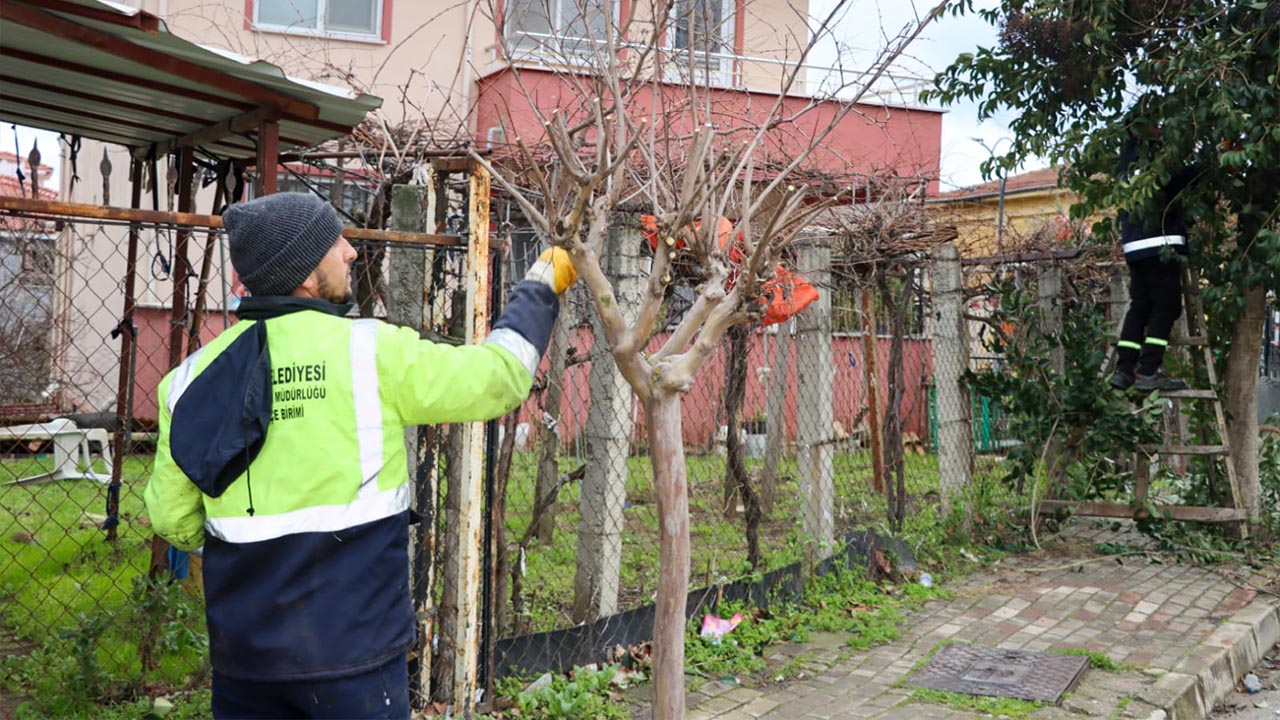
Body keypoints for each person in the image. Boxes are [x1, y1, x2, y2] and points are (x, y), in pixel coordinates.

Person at [144, 192, 577, 719]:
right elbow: (498, 380)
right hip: (356, 661)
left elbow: (171, 516)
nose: (350, 252)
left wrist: (250, 555)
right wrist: (540, 284)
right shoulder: (372, 351)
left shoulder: (187, 380)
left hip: (246, 665)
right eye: (335, 243)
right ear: (305, 275)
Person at [1108, 134, 1198, 392]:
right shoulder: (1152, 157)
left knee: (1140, 307)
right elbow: (1175, 182)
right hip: (1161, 244)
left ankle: (1124, 369)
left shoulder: (1127, 163)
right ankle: (1148, 370)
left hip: (1135, 247)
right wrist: (1204, 165)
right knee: (1166, 306)